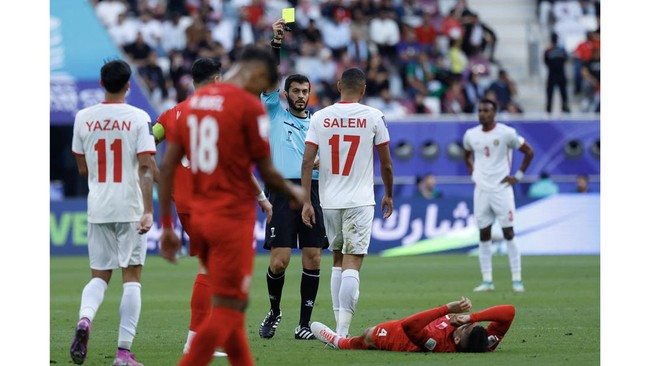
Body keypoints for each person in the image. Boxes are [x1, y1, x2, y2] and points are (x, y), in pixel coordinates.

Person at [157, 45, 306, 366]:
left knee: (230, 306)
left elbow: (167, 166)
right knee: (228, 308)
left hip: (199, 215)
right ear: (256, 73)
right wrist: (294, 194)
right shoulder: (246, 108)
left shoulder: (190, 106)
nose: (262, 91)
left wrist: (167, 225)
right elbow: (265, 170)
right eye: (264, 83)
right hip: (231, 219)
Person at [152, 57, 272, 358]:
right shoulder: (222, 111)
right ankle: (196, 341)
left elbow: (146, 141)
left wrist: (156, 177)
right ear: (218, 80)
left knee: (214, 272)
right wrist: (261, 196)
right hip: (216, 203)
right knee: (218, 274)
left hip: (185, 205)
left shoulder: (171, 114)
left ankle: (219, 339)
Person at [69, 59, 156, 366]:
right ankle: (123, 352)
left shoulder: (83, 117)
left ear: (102, 83)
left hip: (98, 206)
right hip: (130, 205)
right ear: (129, 85)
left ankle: (85, 319)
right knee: (131, 278)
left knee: (99, 276)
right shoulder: (138, 117)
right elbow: (146, 166)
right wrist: (149, 210)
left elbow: (82, 167)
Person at [301, 67, 394, 338]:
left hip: (329, 201)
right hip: (360, 200)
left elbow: (307, 162)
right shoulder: (374, 116)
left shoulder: (320, 117)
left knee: (337, 260)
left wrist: (307, 201)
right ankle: (342, 333)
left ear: (339, 84)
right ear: (363, 89)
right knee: (353, 260)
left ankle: (336, 327)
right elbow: (386, 164)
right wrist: (388, 193)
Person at [258, 18, 329, 341]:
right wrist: (276, 43)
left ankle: (304, 324)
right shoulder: (274, 112)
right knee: (280, 261)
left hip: (311, 191)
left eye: (305, 92)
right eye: (296, 91)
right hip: (283, 190)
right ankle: (274, 312)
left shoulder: (318, 124)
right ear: (284, 93)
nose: (301, 96)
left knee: (313, 257)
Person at [462, 99, 534, 293]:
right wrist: (473, 173)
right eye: (480, 110)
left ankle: (517, 279)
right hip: (481, 190)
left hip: (502, 188)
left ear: (495, 113)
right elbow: (466, 154)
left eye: (487, 110)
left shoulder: (506, 133)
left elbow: (529, 151)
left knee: (508, 232)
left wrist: (517, 176)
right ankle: (487, 281)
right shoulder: (471, 135)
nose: (483, 114)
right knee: (484, 233)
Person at [310, 296, 515, 353]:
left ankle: (338, 341)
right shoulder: (485, 344)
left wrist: (447, 309)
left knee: (368, 335)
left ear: (458, 338)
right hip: (419, 324)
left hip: (398, 337)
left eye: (463, 327)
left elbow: (409, 326)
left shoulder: (437, 343)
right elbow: (509, 311)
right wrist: (472, 318)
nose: (460, 323)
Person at [544, 33, 570, 113]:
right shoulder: (557, 49)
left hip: (555, 73)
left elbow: (546, 61)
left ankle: (563, 107)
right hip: (557, 73)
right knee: (553, 92)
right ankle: (550, 109)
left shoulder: (550, 50)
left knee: (562, 92)